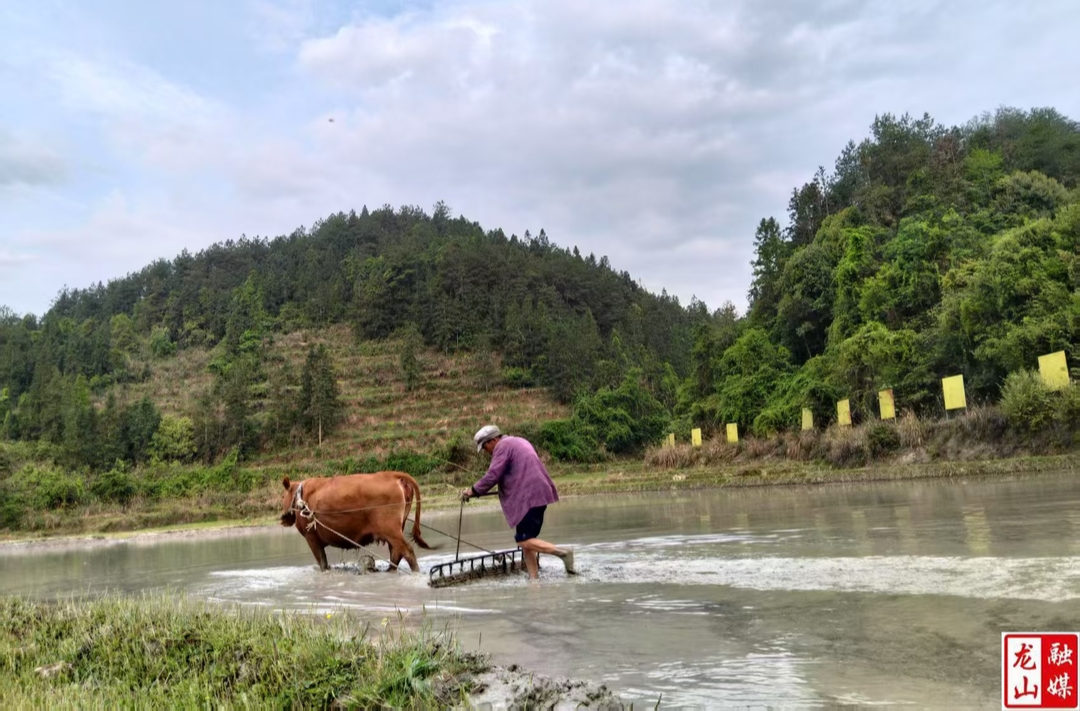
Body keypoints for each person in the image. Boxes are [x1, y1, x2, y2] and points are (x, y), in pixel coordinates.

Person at [461, 424, 575, 579]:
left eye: (485, 447)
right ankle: (533, 581)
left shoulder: (502, 447)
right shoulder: (517, 441)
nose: (487, 452)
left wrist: (473, 490)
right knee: (527, 542)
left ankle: (563, 553)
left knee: (523, 541)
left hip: (529, 497)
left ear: (493, 440)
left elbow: (493, 475)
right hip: (536, 494)